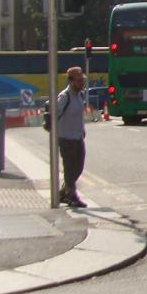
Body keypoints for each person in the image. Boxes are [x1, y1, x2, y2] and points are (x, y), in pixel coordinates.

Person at [55, 66, 88, 208]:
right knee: (69, 169)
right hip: (66, 138)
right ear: (71, 81)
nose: (82, 83)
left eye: (83, 80)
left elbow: (79, 116)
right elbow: (54, 114)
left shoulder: (80, 95)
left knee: (78, 168)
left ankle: (63, 192)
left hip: (78, 137)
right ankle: (72, 196)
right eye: (79, 80)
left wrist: (82, 129)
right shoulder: (64, 96)